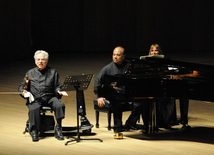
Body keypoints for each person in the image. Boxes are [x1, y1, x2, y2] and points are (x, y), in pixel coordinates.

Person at [18, 50, 68, 142]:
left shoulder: (53, 72)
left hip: (50, 97)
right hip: (36, 99)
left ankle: (58, 128)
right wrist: (23, 91)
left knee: (60, 105)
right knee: (33, 108)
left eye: (43, 59)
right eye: (38, 59)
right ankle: (34, 130)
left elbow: (57, 86)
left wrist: (59, 91)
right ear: (35, 61)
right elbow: (22, 86)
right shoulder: (30, 73)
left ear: (47, 61)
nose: (40, 61)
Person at [93, 46, 130, 133]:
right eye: (114, 55)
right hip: (110, 93)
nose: (115, 57)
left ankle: (130, 123)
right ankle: (117, 125)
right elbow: (97, 81)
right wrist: (99, 97)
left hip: (124, 92)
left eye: (118, 55)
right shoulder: (107, 68)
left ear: (123, 56)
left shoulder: (128, 67)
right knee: (115, 99)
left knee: (142, 101)